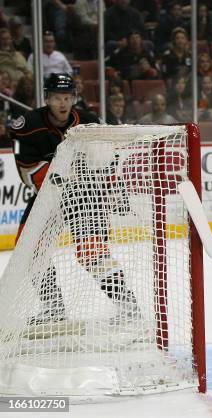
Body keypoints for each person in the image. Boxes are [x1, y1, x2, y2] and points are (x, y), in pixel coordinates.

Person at [10, 73, 140, 325]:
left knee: (91, 252)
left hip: (86, 197)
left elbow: (108, 158)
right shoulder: (28, 124)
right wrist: (64, 175)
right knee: (29, 249)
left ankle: (127, 305)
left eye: (67, 98)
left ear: (74, 99)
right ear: (47, 98)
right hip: (47, 197)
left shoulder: (90, 122)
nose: (62, 103)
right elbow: (27, 171)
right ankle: (53, 306)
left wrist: (113, 186)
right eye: (57, 97)